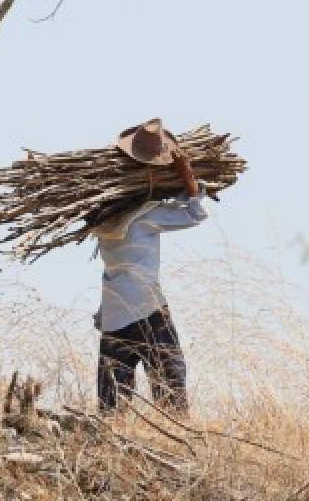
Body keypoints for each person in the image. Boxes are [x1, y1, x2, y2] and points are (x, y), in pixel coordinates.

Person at [91, 118, 207, 416]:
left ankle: (109, 445)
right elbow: (194, 213)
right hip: (147, 309)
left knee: (112, 399)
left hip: (114, 315)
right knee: (171, 384)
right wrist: (187, 175)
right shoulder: (147, 215)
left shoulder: (102, 220)